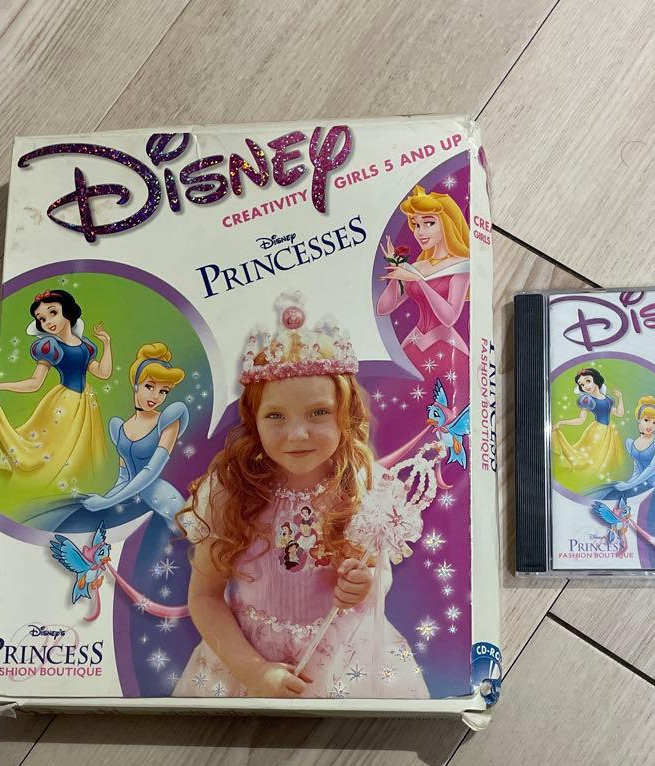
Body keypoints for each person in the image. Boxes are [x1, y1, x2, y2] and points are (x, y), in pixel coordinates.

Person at [172, 297, 428, 700]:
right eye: (276, 416)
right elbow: (204, 597)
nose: (297, 434)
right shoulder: (231, 491)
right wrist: (253, 672)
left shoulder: (363, 486)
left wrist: (362, 586)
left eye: (318, 413)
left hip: (342, 658)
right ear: (253, 421)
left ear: (346, 413)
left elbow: (374, 574)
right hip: (246, 658)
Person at [0, 288, 111, 498]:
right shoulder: (51, 347)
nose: (47, 322)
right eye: (42, 319)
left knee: (81, 451)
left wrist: (107, 343)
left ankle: (77, 492)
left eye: (52, 313)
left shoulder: (86, 347)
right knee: (54, 452)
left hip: (86, 405)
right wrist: (0, 386)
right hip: (63, 406)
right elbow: (34, 383)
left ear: (68, 311)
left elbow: (103, 372)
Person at [76, 342, 189, 527]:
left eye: (163, 391)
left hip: (160, 497)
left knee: (187, 530)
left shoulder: (168, 420)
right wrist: (107, 500)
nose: (156, 396)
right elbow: (123, 477)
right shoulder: (119, 427)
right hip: (126, 496)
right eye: (149, 386)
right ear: (136, 384)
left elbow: (151, 471)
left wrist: (107, 502)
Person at [376, 184, 470, 372]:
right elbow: (383, 308)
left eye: (429, 223)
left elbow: (450, 318)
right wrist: (397, 271)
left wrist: (418, 280)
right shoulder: (417, 266)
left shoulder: (461, 265)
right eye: (416, 225)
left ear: (447, 223)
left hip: (446, 347)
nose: (420, 232)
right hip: (413, 344)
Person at [550, 366, 629, 489]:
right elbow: (580, 420)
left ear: (596, 380)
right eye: (581, 384)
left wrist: (620, 398)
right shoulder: (588, 400)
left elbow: (619, 414)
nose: (585, 386)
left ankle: (603, 482)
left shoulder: (608, 399)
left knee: (607, 460)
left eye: (588, 381)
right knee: (592, 459)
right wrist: (561, 422)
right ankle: (589, 482)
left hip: (610, 433)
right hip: (597, 433)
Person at [589, 395, 655, 500]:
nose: (651, 425)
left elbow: (652, 467)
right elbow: (637, 469)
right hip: (637, 482)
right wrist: (629, 483)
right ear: (639, 419)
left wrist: (629, 485)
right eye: (647, 420)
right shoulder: (631, 443)